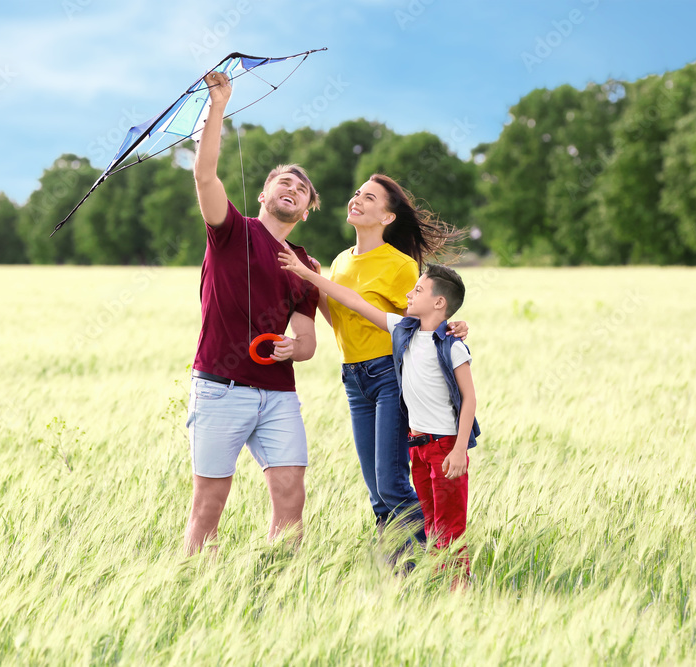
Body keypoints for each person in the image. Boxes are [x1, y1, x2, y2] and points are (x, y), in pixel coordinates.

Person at [183, 70, 321, 554]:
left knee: (290, 495)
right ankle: (194, 586)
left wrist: (292, 347)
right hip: (220, 390)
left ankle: (282, 588)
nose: (292, 188)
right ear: (263, 195)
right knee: (209, 503)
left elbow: (306, 343)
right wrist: (218, 104)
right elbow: (204, 174)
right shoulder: (229, 230)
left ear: (305, 210)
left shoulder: (306, 265)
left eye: (301, 190)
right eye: (283, 182)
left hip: (278, 394)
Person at [279, 252, 479, 567]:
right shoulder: (403, 330)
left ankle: (459, 594)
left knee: (449, 530)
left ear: (439, 303)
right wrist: (307, 274)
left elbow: (469, 399)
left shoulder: (451, 345)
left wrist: (458, 450)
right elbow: (355, 301)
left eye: (418, 291)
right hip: (418, 447)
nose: (408, 296)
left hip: (444, 447)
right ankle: (427, 581)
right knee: (429, 524)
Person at [319, 174, 466, 544]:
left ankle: (426, 562)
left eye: (369, 198)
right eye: (356, 193)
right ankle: (397, 576)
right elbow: (339, 318)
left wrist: (454, 327)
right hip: (353, 378)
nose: (357, 199)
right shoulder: (339, 262)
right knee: (378, 492)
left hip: (388, 377)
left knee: (393, 485)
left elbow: (419, 320)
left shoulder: (400, 265)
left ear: (387, 218)